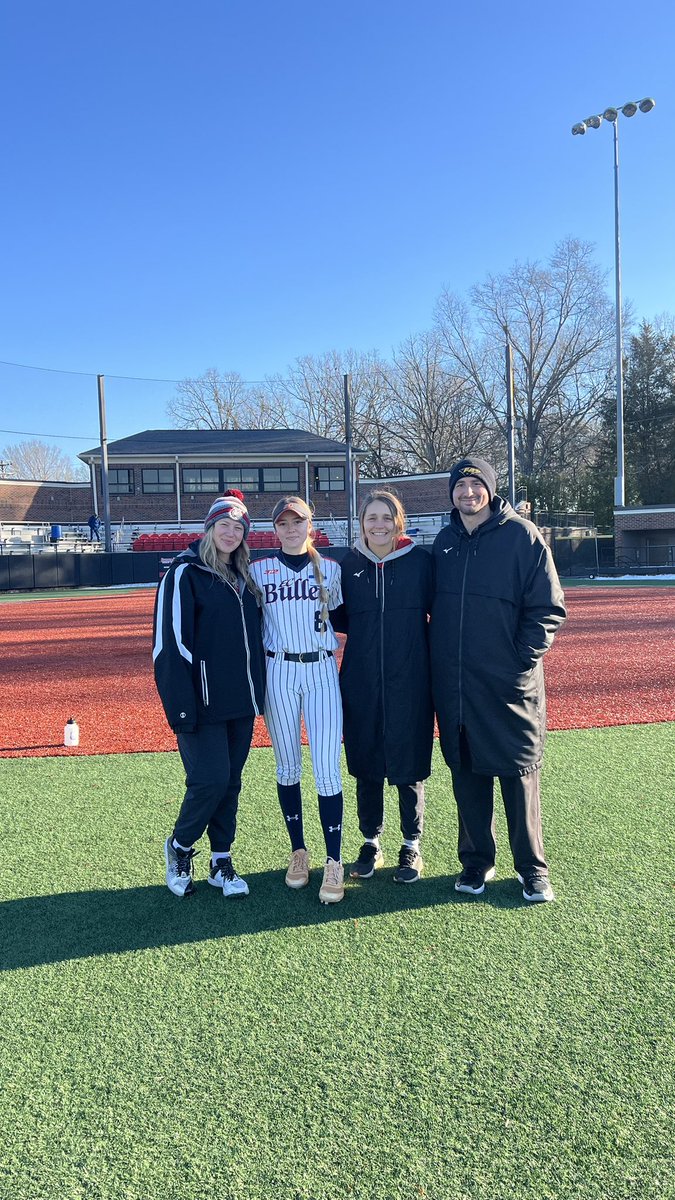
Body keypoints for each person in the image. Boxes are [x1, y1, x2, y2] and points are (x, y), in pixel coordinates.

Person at [430, 457, 566, 902]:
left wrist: (519, 662)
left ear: (489, 489)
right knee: (467, 775)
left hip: (508, 685)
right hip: (457, 687)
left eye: (476, 484)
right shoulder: (444, 542)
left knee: (518, 774)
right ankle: (475, 863)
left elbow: (548, 608)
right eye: (460, 486)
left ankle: (532, 869)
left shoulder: (522, 536)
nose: (467, 493)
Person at [153, 491, 266, 899]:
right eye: (224, 525)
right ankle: (181, 847)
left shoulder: (245, 577)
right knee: (209, 780)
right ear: (209, 528)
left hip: (241, 702)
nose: (231, 533)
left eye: (239, 528)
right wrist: (181, 708)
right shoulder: (184, 572)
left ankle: (221, 860)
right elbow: (169, 646)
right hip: (200, 705)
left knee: (230, 782)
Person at [333, 489, 433, 884]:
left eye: (386, 517)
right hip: (361, 678)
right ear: (361, 524)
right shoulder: (347, 565)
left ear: (398, 521)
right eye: (371, 517)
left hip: (411, 677)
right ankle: (371, 839)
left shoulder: (420, 563)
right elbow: (337, 618)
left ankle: (412, 844)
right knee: (367, 761)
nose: (379, 524)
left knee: (408, 764)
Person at [249, 496, 345, 904]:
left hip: (322, 669)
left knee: (326, 768)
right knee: (287, 766)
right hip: (279, 671)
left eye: (298, 520)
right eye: (283, 522)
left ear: (311, 523)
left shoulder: (333, 569)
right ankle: (298, 851)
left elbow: (342, 616)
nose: (291, 528)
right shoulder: (257, 571)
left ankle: (334, 860)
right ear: (275, 529)